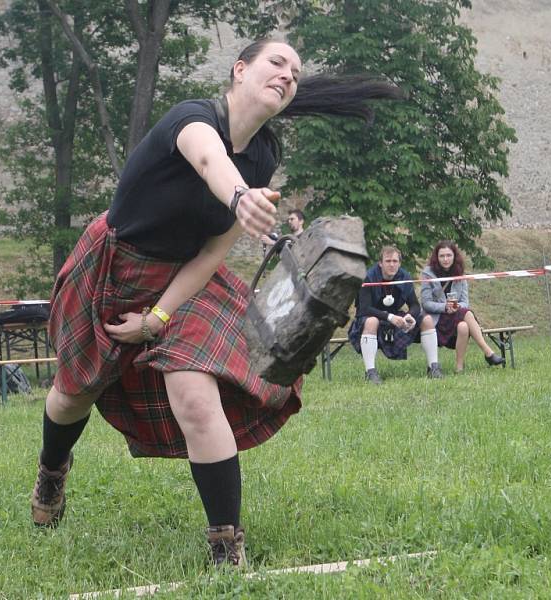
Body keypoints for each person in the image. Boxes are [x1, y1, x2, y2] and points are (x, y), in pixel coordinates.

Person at [31, 39, 403, 567]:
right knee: (73, 395)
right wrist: (239, 196)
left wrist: (159, 318)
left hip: (188, 277)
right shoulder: (192, 118)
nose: (288, 76)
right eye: (277, 63)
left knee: (195, 396)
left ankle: (227, 548)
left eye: (296, 72)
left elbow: (211, 254)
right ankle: (52, 473)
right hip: (115, 266)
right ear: (239, 70)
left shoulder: (264, 155)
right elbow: (208, 158)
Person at [347, 246, 443, 384]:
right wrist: (389, 317)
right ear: (380, 263)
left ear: (399, 263)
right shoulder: (368, 277)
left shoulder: (404, 276)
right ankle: (370, 373)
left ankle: (433, 367)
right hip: (370, 317)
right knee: (372, 321)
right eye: (388, 261)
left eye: (395, 261)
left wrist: (409, 316)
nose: (392, 264)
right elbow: (364, 308)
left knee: (427, 319)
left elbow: (415, 305)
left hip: (396, 318)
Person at [420, 240, 505, 372]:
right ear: (436, 257)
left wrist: (455, 306)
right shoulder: (427, 274)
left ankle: (459, 368)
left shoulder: (460, 273)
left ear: (454, 256)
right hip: (436, 319)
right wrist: (444, 307)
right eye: (442, 256)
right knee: (467, 313)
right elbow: (425, 303)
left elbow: (465, 302)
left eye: (449, 255)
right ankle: (488, 352)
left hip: (455, 315)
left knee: (464, 325)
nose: (445, 259)